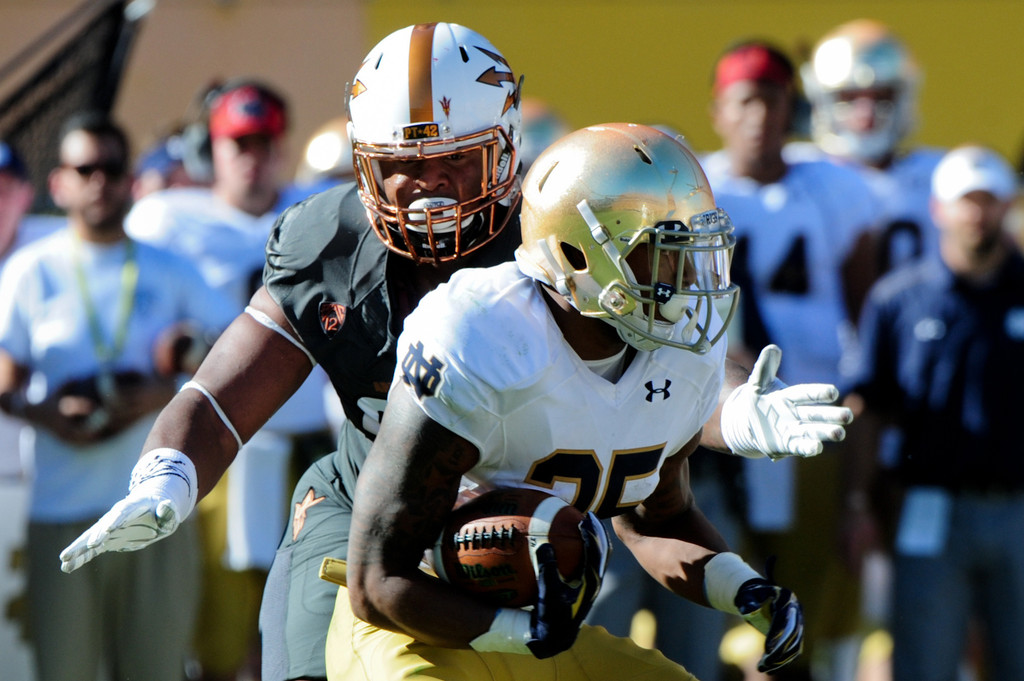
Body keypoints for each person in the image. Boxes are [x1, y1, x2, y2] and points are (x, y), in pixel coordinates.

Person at [56, 24, 849, 681]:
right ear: (366, 170)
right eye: (401, 169)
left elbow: (658, 406)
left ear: (504, 153)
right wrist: (168, 472)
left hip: (519, 520)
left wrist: (738, 409)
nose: (426, 189)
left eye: (451, 163)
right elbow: (225, 392)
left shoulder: (557, 239)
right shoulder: (332, 243)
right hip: (372, 509)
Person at [331, 121, 853, 681]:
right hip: (415, 628)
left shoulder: (673, 348)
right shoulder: (479, 336)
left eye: (691, 253)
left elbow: (657, 520)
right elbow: (375, 583)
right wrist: (519, 633)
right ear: (578, 255)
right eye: (661, 253)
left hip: (539, 636)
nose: (685, 279)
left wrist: (746, 591)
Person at [0, 111, 235, 681]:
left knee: (155, 670)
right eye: (85, 168)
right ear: (60, 182)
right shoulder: (33, 271)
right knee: (65, 672)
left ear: (130, 179)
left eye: (111, 167)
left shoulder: (170, 267)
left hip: (153, 512)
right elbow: (4, 376)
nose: (99, 180)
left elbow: (231, 352)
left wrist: (159, 390)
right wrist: (47, 414)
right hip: (60, 510)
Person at [126, 78, 339, 681]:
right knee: (223, 622)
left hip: (310, 448)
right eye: (238, 142)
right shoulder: (167, 221)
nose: (253, 156)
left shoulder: (317, 211)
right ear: (209, 151)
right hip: (225, 442)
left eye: (265, 141)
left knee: (308, 612)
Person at [700, 40, 881, 681]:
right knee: (727, 589)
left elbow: (867, 308)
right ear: (720, 110)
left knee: (807, 588)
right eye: (745, 101)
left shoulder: (832, 186)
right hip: (720, 421)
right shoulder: (699, 185)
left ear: (791, 108)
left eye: (773, 100)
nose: (760, 116)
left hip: (815, 411)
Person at [842, 145, 1024, 681]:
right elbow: (867, 408)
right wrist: (858, 505)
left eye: (989, 201)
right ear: (939, 209)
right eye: (966, 202)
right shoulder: (900, 299)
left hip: (1018, 509)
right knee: (924, 663)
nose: (978, 213)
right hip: (926, 510)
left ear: (1008, 205)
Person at [797, 18, 946, 275]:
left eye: (881, 96)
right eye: (850, 97)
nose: (866, 113)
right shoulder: (796, 172)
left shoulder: (941, 175)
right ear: (822, 99)